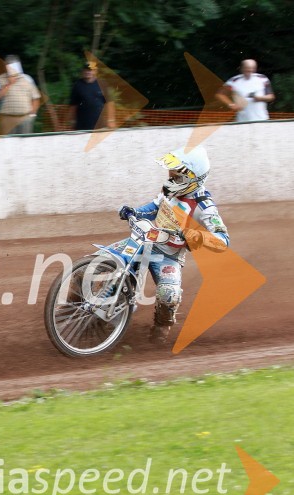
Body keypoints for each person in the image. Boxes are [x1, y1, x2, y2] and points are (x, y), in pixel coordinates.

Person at [117, 146, 229, 344]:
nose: (170, 178)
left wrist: (196, 236)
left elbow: (222, 240)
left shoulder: (205, 206)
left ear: (193, 178)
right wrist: (134, 211)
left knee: (168, 295)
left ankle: (162, 327)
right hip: (145, 240)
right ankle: (78, 301)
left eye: (176, 174)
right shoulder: (170, 190)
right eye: (171, 172)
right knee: (108, 260)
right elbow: (154, 206)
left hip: (169, 255)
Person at [0, 55, 41, 135]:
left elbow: (35, 98)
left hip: (25, 119)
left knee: (26, 144)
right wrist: (9, 84)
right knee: (8, 145)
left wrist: (32, 115)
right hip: (6, 119)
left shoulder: (27, 79)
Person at [69, 62, 116, 131]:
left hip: (100, 127)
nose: (88, 72)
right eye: (86, 70)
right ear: (83, 71)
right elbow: (73, 105)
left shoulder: (102, 84)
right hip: (81, 128)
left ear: (95, 71)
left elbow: (110, 103)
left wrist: (111, 120)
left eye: (90, 70)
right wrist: (71, 121)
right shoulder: (77, 85)